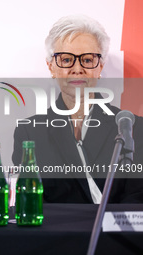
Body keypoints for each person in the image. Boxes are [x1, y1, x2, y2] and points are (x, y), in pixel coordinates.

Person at [12, 15, 143, 203]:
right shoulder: (29, 131)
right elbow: (29, 201)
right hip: (54, 231)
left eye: (88, 60)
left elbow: (137, 201)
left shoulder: (133, 128)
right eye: (66, 60)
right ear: (51, 67)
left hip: (112, 232)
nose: (77, 68)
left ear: (100, 66)